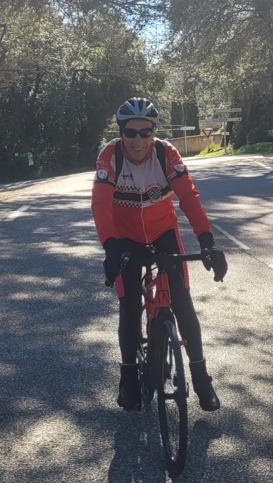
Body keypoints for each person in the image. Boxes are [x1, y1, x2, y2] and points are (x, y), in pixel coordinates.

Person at [91, 97, 227, 413]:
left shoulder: (166, 154)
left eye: (146, 132)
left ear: (154, 133)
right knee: (129, 307)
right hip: (125, 238)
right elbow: (100, 204)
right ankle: (128, 376)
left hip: (163, 234)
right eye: (131, 132)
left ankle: (201, 378)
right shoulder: (110, 156)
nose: (138, 140)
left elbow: (189, 197)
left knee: (182, 304)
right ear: (121, 132)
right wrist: (110, 247)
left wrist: (207, 242)